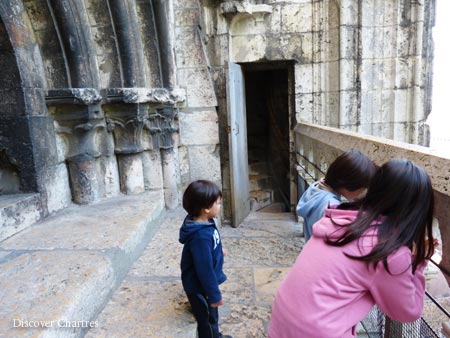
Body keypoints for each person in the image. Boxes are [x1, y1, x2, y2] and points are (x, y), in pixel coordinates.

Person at [269, 159, 435, 338]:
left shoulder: (338, 219)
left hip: (281, 324)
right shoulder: (387, 251)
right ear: (417, 209)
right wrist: (419, 262)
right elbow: (407, 312)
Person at [179, 180, 232, 338]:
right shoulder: (200, 237)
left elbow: (209, 244)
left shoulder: (204, 221)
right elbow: (204, 270)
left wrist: (218, 248)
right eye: (218, 203)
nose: (220, 206)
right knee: (208, 319)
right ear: (207, 208)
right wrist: (214, 294)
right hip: (200, 287)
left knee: (210, 316)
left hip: (204, 285)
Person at [297, 150, 377, 242]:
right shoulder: (331, 207)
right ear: (350, 183)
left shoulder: (316, 187)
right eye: (362, 187)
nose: (362, 191)